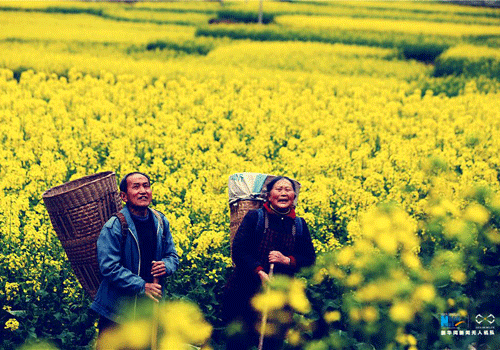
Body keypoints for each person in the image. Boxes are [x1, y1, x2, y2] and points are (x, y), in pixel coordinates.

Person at [222, 176, 316, 349]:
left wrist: (286, 260)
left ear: (294, 196)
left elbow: (309, 259)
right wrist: (260, 272)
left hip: (279, 299)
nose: (283, 193)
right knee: (238, 342)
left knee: (271, 344)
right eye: (279, 189)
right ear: (268, 195)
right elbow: (239, 250)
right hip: (244, 292)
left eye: (288, 190)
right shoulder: (255, 218)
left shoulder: (299, 224)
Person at [91, 172, 179, 335]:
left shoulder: (160, 221)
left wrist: (166, 266)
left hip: (149, 308)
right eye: (136, 187)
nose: (143, 191)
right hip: (117, 312)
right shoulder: (114, 226)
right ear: (124, 196)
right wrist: (142, 286)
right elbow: (109, 268)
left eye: (146, 185)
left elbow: (172, 255)